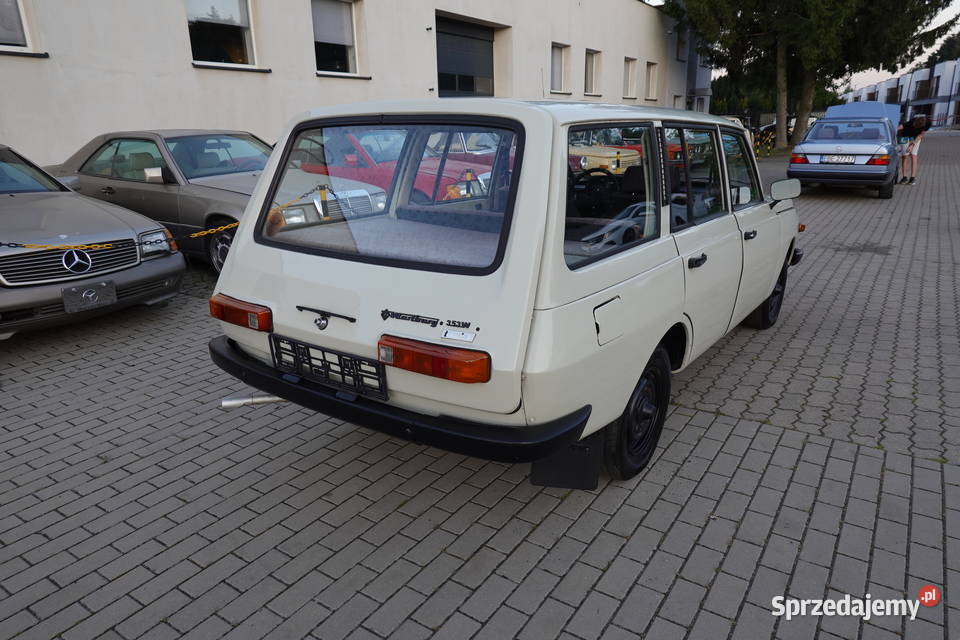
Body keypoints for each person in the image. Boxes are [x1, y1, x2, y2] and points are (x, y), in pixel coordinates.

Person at [897, 114, 931, 185]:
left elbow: (920, 135)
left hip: (916, 138)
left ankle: (912, 178)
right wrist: (894, 130)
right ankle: (904, 177)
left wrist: (912, 145)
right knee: (905, 156)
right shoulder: (913, 120)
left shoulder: (928, 123)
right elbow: (902, 126)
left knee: (913, 155)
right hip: (905, 136)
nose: (915, 126)